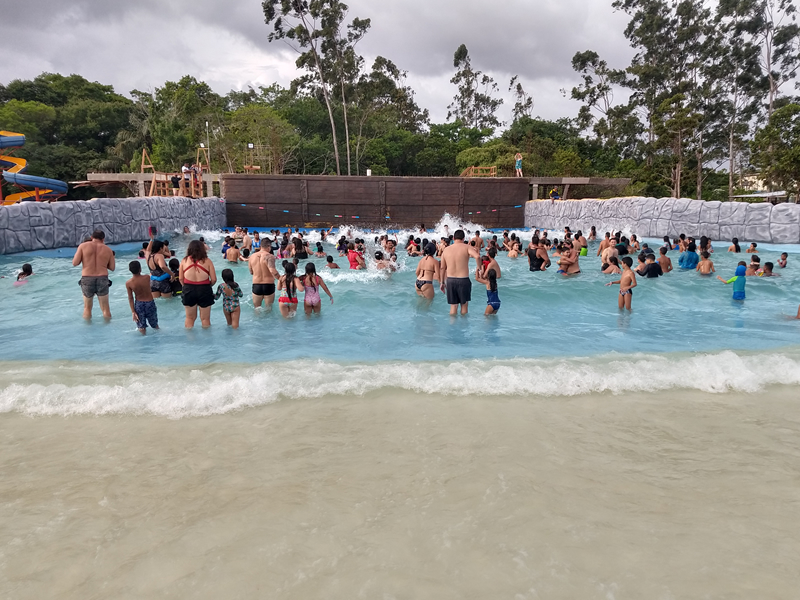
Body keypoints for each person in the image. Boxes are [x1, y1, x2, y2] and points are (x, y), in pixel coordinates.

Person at [72, 230, 115, 320]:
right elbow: (112, 267)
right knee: (106, 309)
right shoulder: (108, 249)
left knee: (87, 308)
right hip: (102, 278)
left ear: (92, 237)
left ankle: (87, 331)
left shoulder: (83, 246)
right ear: (103, 239)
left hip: (87, 278)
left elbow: (75, 263)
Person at [439, 229, 481, 316]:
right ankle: (464, 327)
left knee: (453, 306)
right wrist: (479, 269)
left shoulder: (446, 250)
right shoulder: (466, 247)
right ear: (463, 238)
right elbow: (477, 257)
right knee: (464, 305)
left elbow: (442, 268)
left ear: (453, 238)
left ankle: (452, 327)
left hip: (450, 280)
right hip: (463, 280)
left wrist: (442, 282)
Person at [179, 240, 216, 329]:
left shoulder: (184, 261)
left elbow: (180, 278)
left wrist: (186, 287)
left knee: (190, 318)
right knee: (205, 319)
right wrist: (207, 286)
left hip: (188, 289)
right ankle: (207, 340)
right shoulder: (207, 261)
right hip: (204, 289)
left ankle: (189, 340)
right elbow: (214, 279)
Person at [126, 261, 158, 335]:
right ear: (140, 269)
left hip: (139, 305)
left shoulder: (128, 283)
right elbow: (152, 273)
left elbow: (130, 298)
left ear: (130, 270)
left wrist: (133, 311)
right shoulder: (147, 277)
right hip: (150, 303)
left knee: (141, 327)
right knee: (155, 325)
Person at [249, 243, 279, 309]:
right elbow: (272, 270)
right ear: (269, 247)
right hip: (268, 285)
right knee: (268, 308)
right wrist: (280, 279)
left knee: (257, 309)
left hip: (256, 285)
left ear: (260, 246)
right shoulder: (270, 256)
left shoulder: (252, 256)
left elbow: (251, 272)